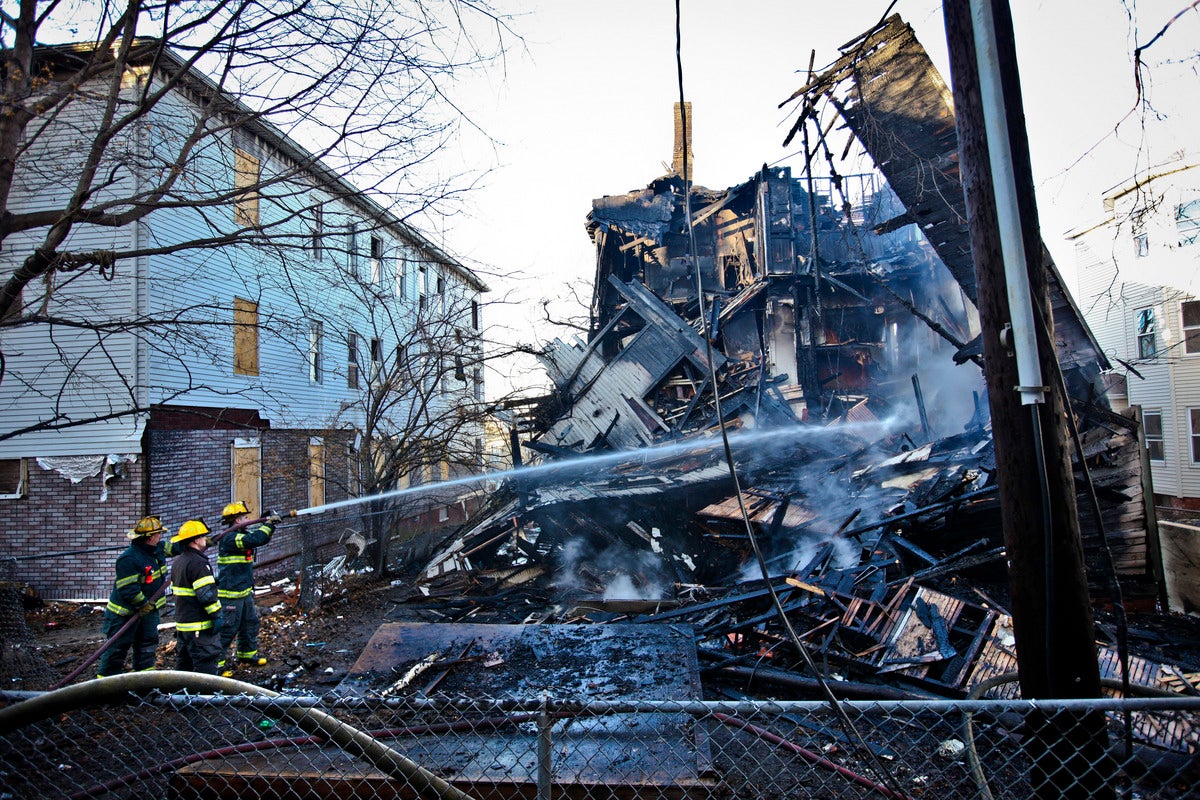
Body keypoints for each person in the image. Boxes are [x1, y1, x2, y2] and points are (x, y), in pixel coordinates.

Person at [96, 516, 176, 678]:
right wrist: (143, 604)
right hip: (124, 615)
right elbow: (128, 589)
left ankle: (143, 682)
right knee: (117, 649)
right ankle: (106, 686)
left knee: (147, 646)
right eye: (159, 534)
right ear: (151, 537)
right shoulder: (129, 559)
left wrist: (198, 539)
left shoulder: (157, 549)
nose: (161, 536)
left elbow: (177, 548)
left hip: (148, 612)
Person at [216, 501, 281, 676]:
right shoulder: (230, 538)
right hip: (231, 594)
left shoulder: (240, 534)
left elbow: (260, 539)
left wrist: (269, 525)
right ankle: (217, 666)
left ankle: (246, 655)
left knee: (249, 624)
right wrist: (267, 525)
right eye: (244, 517)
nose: (247, 519)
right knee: (228, 628)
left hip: (243, 591)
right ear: (237, 520)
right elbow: (254, 540)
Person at [169, 519, 222, 674]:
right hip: (199, 626)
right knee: (205, 668)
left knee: (184, 668)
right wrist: (217, 615)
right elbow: (206, 595)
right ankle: (205, 698)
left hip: (184, 625)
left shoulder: (179, 561)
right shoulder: (198, 563)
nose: (205, 539)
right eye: (203, 537)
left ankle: (181, 696)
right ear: (196, 540)